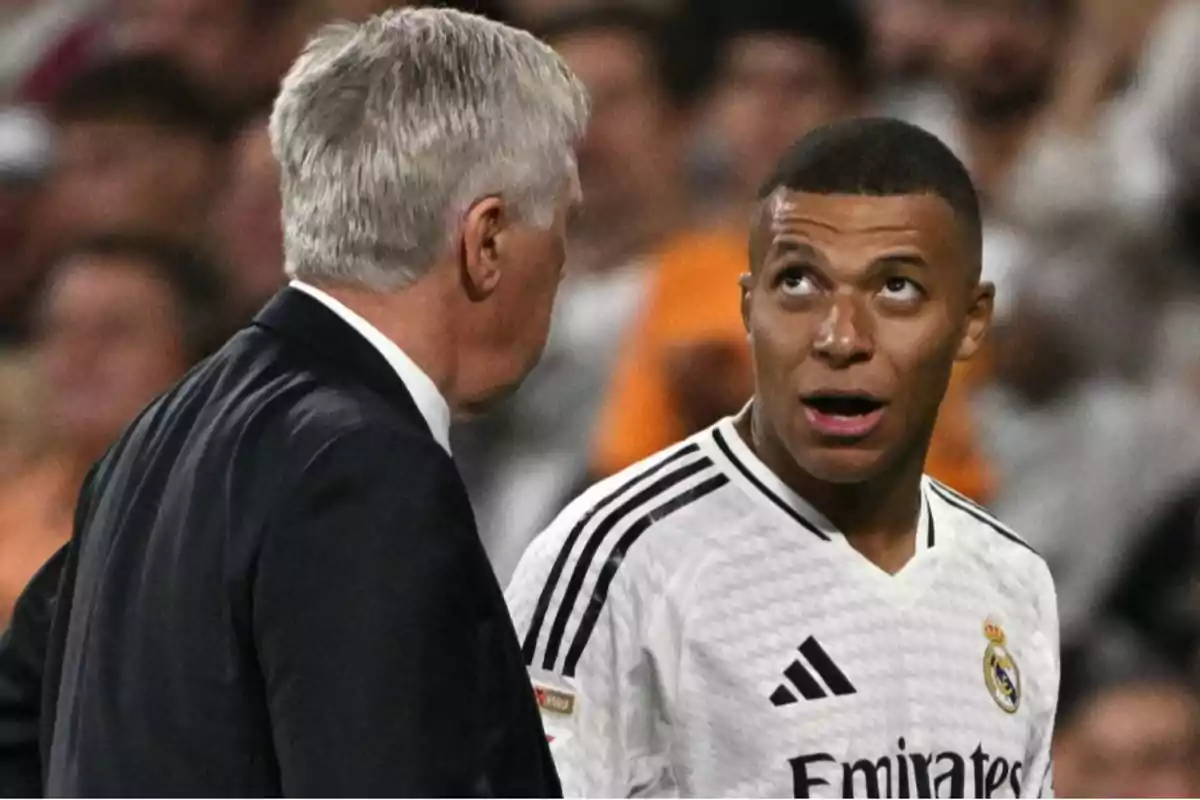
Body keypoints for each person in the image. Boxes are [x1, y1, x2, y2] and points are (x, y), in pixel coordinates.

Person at [1, 8, 588, 795]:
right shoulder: (362, 466)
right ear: (486, 242)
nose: (563, 263)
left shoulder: (158, 435)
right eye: (562, 224)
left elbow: (16, 717)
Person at [507, 118, 1059, 797]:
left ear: (972, 321)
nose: (840, 336)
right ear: (748, 307)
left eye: (896, 289)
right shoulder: (615, 562)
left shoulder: (1013, 581)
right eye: (799, 283)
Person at [0, 234, 227, 628]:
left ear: (196, 364)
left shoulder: (231, 525)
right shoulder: (10, 499)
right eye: (60, 330)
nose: (79, 355)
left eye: (115, 332)